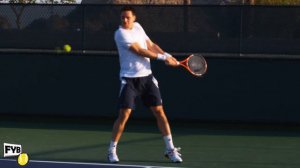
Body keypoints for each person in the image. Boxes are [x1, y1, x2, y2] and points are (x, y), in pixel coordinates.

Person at [107, 6, 183, 163]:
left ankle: (170, 149)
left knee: (159, 112)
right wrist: (163, 59)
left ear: (134, 17)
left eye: (128, 17)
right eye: (122, 17)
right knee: (124, 115)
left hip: (147, 78)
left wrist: (168, 55)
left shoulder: (139, 27)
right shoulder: (120, 33)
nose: (125, 20)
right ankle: (112, 150)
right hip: (129, 79)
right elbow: (139, 51)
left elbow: (150, 44)